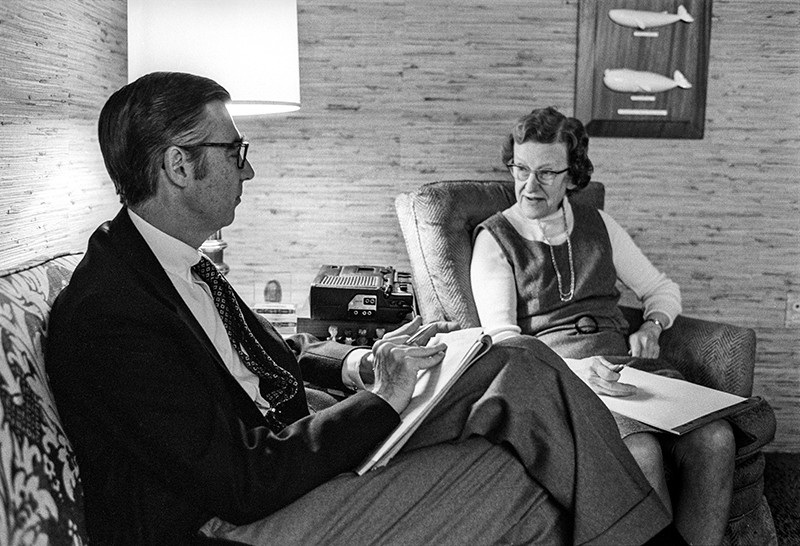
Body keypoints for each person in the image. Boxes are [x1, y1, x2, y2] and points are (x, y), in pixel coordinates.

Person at [46, 73, 677, 546]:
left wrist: (362, 365)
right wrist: (382, 403)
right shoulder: (112, 312)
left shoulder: (179, 263)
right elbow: (240, 480)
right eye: (235, 152)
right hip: (237, 523)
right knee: (531, 482)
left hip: (295, 448)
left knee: (516, 361)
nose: (249, 170)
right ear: (179, 166)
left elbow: (272, 354)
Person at [470, 106, 736, 545]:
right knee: (640, 452)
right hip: (560, 383)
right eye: (521, 169)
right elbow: (504, 343)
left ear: (572, 174)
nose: (529, 186)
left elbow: (662, 289)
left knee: (716, 439)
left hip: (626, 372)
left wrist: (652, 326)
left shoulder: (598, 224)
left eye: (546, 173)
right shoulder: (494, 239)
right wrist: (577, 371)